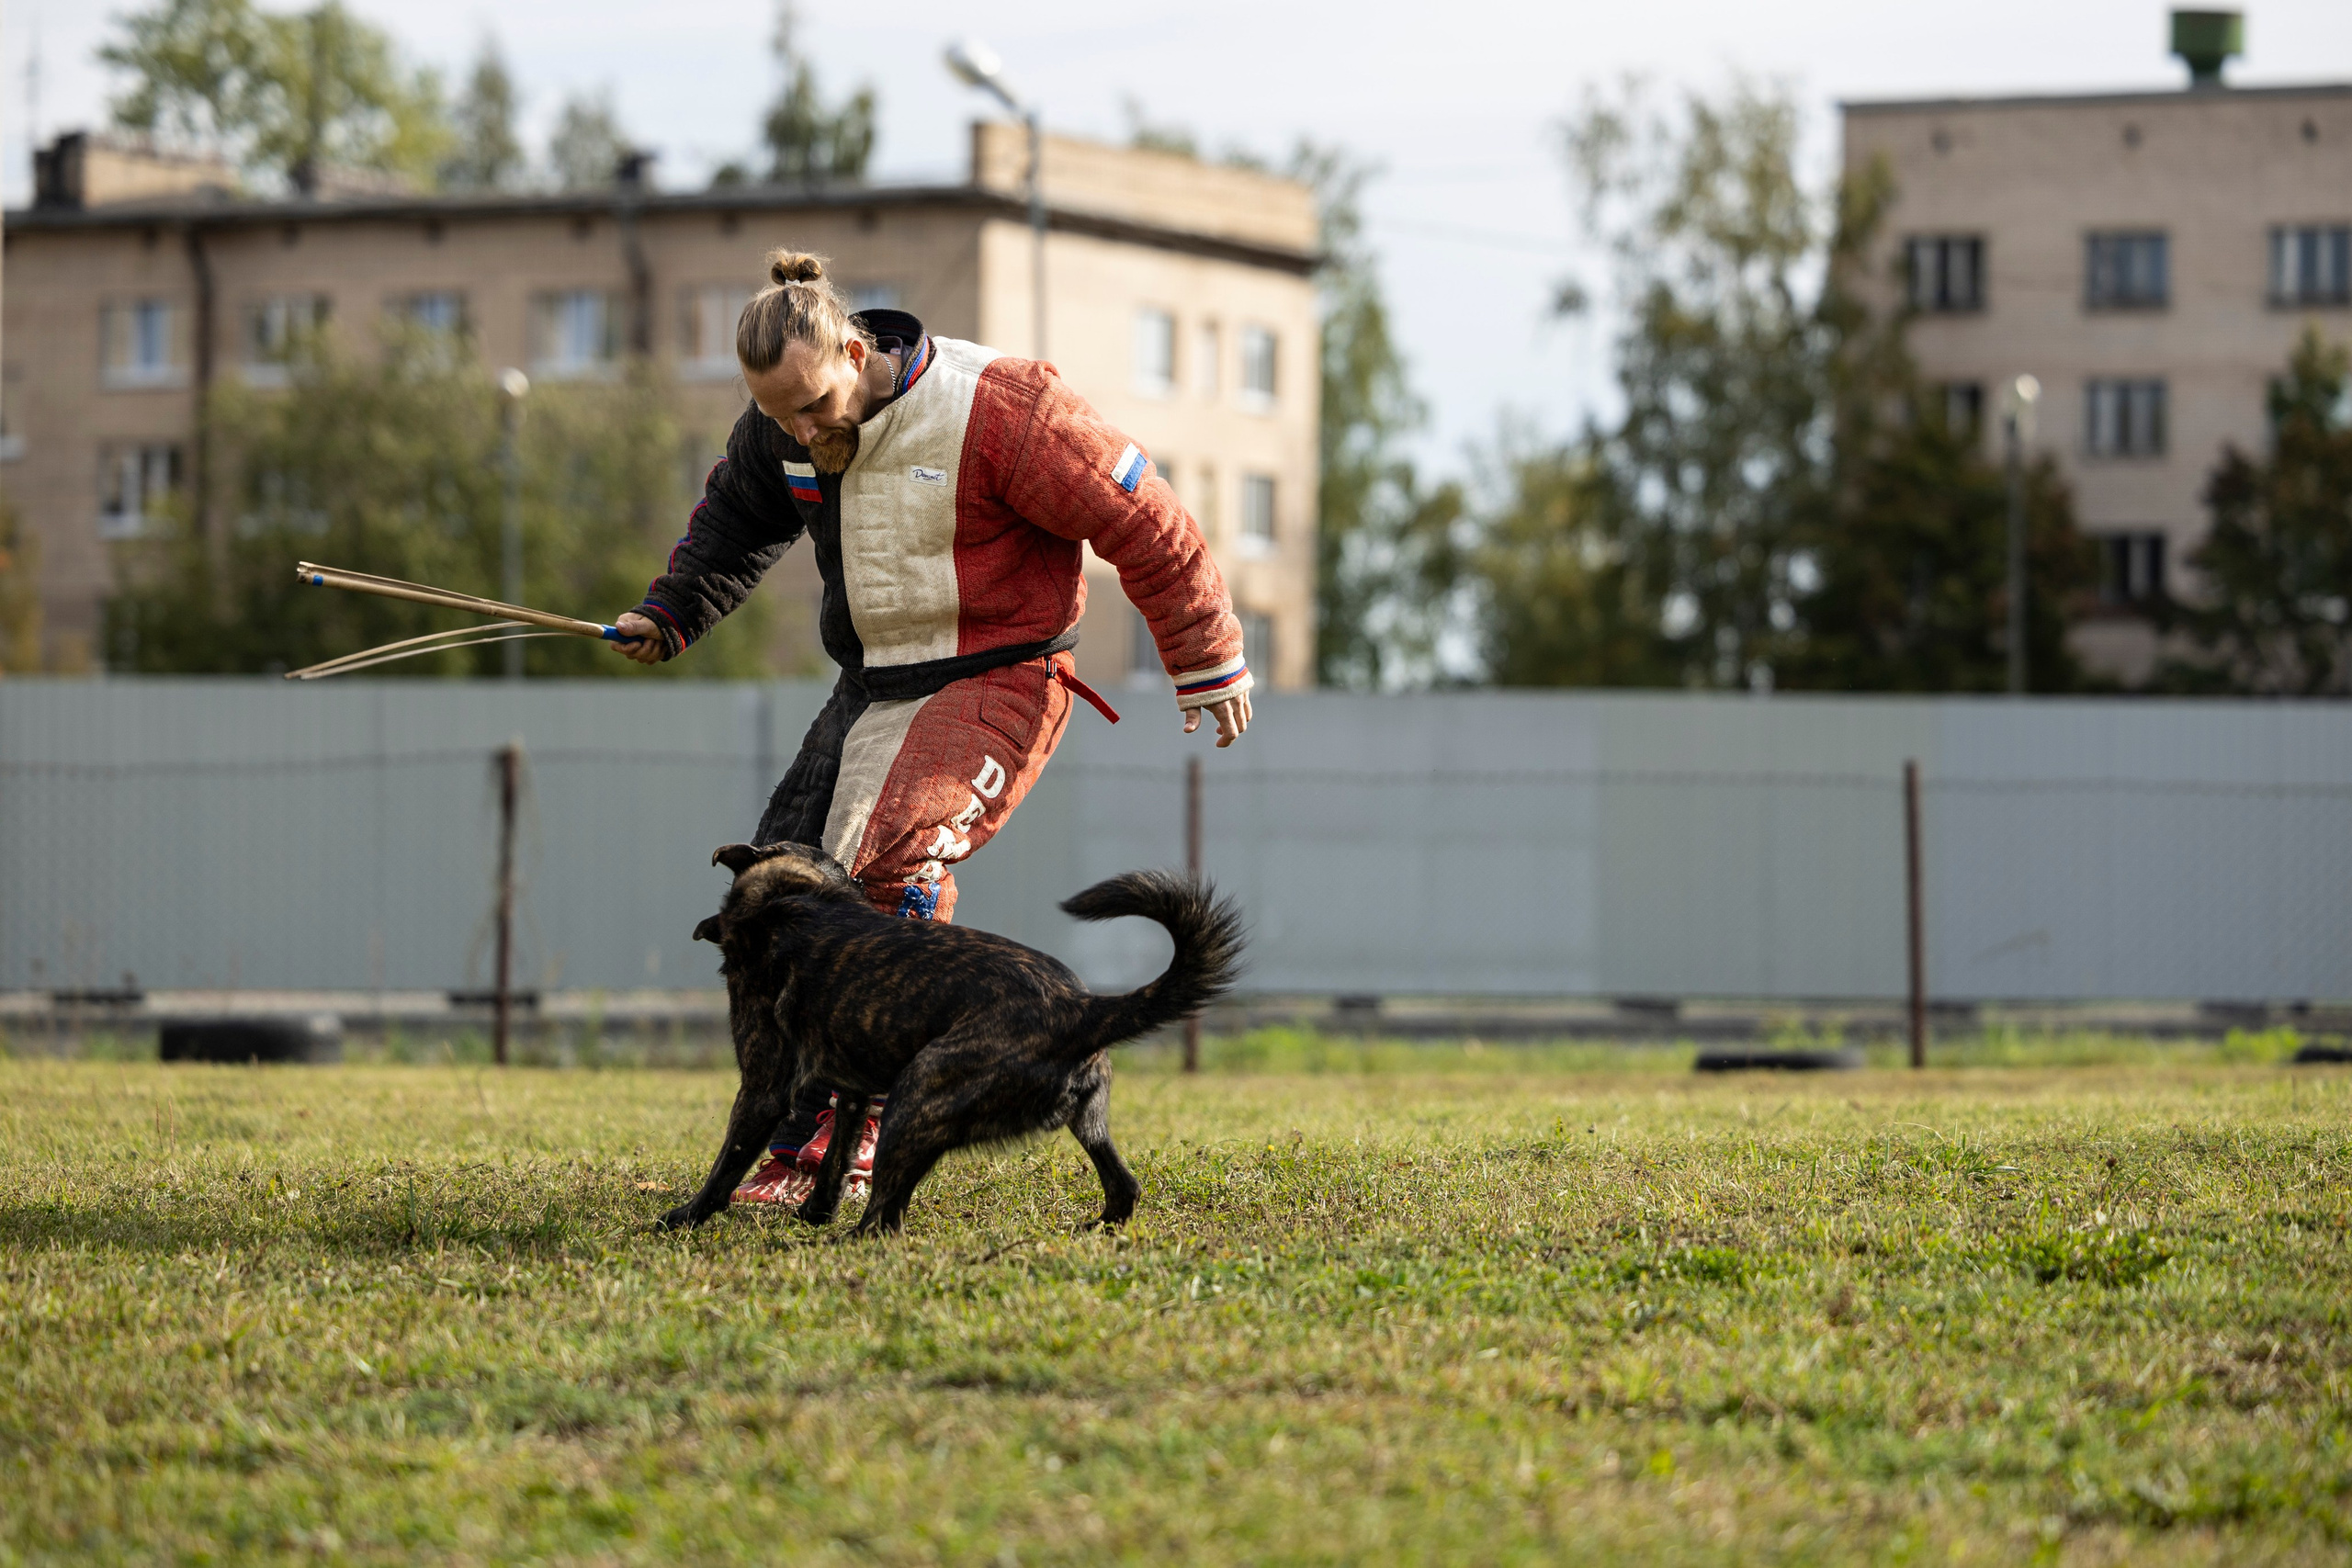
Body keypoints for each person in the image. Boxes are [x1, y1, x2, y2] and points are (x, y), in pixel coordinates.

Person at [612, 249, 1254, 1207]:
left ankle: (859, 1131)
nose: (800, 429)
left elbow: (1142, 515)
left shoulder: (1002, 408)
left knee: (882, 866)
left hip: (1000, 674)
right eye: (778, 414)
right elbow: (731, 525)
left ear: (854, 347)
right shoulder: (782, 427)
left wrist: (1203, 654)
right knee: (775, 898)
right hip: (870, 682)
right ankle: (800, 1136)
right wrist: (669, 615)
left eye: (815, 405)